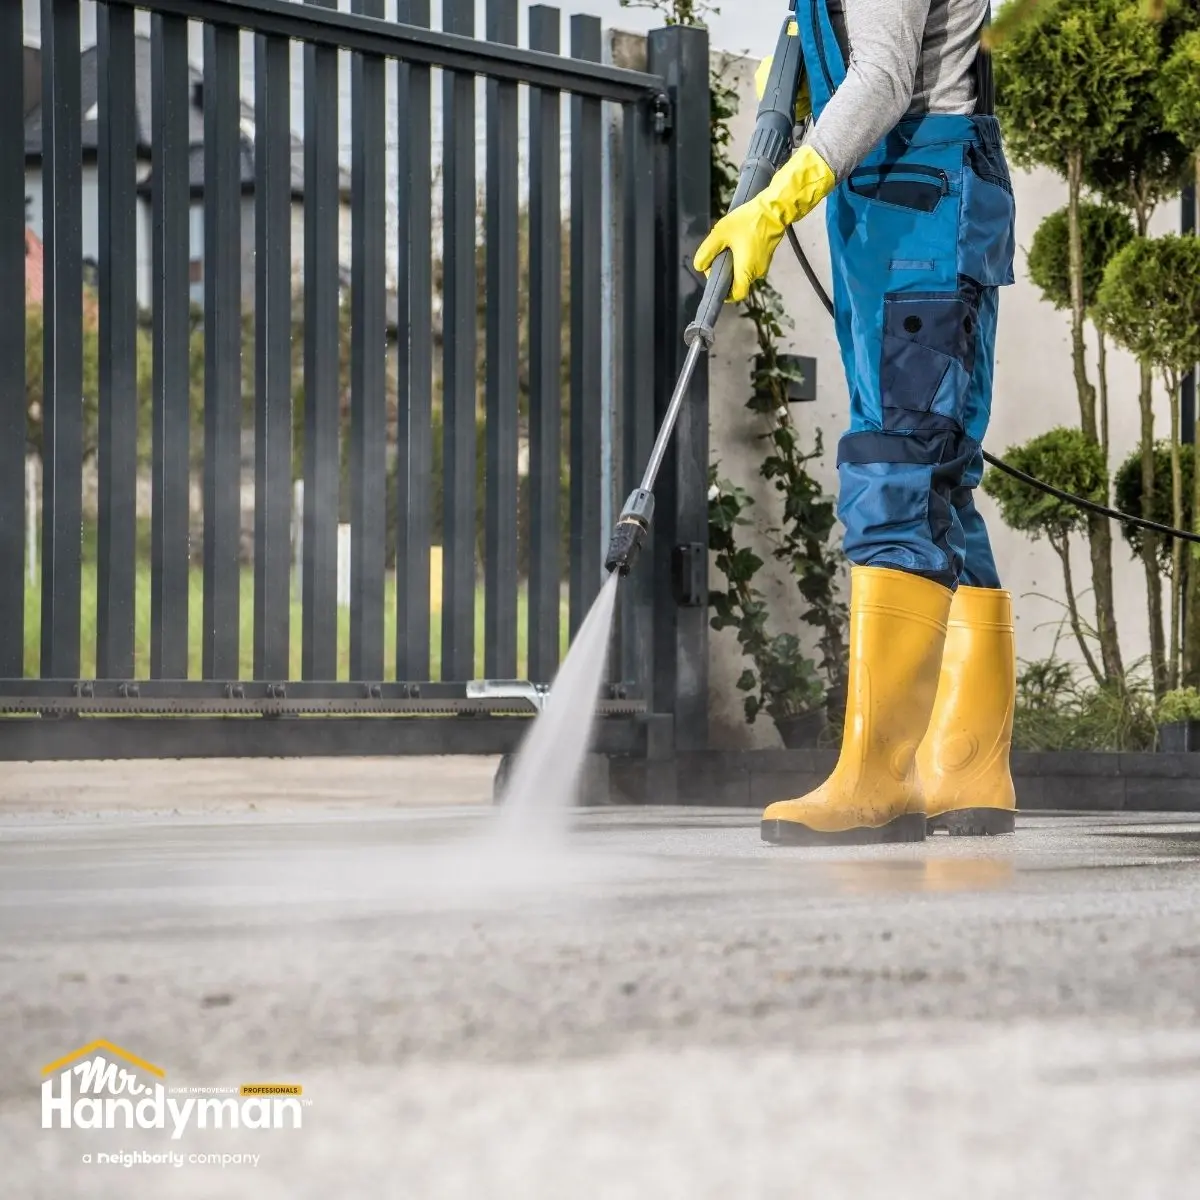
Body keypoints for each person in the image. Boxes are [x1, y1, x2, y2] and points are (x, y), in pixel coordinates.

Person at [695, 0, 1018, 846]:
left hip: (917, 211)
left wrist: (780, 198)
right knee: (942, 480)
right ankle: (968, 767)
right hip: (911, 206)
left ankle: (878, 777)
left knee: (893, 467)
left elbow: (880, 79)